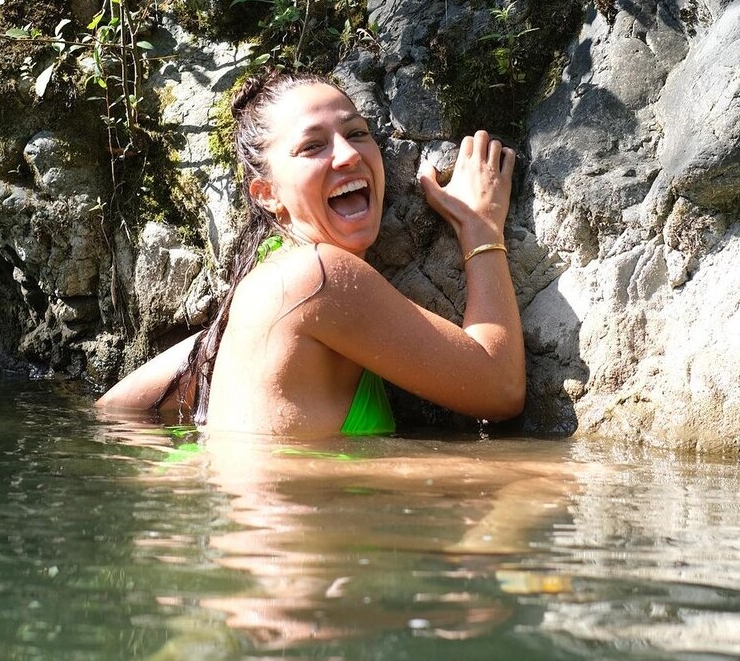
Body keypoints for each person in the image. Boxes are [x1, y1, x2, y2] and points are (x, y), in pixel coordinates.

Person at [96, 69, 525, 435]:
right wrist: (480, 226)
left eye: (357, 133)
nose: (349, 154)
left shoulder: (269, 284)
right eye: (312, 146)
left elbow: (116, 408)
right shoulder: (320, 275)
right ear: (267, 194)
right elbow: (500, 390)